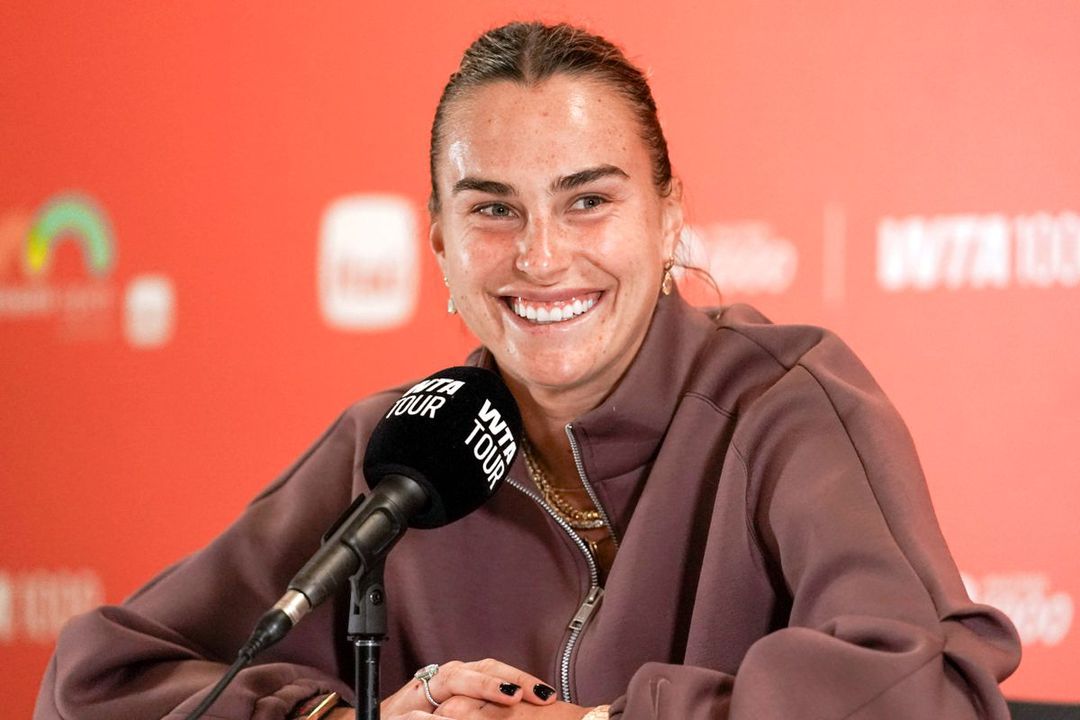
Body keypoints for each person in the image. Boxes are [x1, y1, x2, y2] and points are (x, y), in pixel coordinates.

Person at [34, 21, 1021, 720]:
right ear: (441, 245)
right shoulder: (399, 448)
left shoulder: (783, 402)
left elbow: (932, 693)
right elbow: (96, 684)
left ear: (670, 218)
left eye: (588, 201)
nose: (542, 257)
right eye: (494, 210)